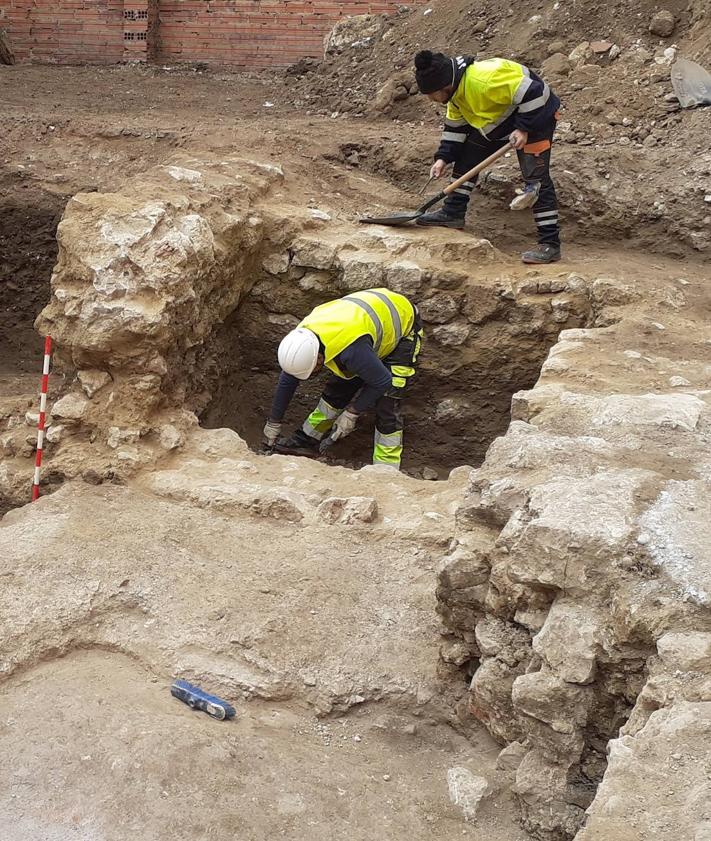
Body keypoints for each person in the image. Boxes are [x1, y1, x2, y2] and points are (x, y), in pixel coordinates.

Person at [414, 50, 562, 264]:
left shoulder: (484, 81)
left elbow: (537, 93)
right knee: (467, 158)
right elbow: (455, 129)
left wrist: (523, 128)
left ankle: (550, 244)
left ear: (444, 87)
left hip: (536, 116)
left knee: (536, 179)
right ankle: (453, 213)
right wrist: (443, 158)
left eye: (431, 94)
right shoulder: (455, 94)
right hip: (500, 123)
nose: (430, 99)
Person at [263, 288, 423, 469]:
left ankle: (386, 468)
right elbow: (288, 379)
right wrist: (273, 422)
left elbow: (382, 381)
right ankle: (305, 440)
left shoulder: (350, 350)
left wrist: (352, 412)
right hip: (363, 328)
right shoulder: (301, 340)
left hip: (402, 327)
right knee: (339, 388)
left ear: (319, 358)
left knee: (388, 403)